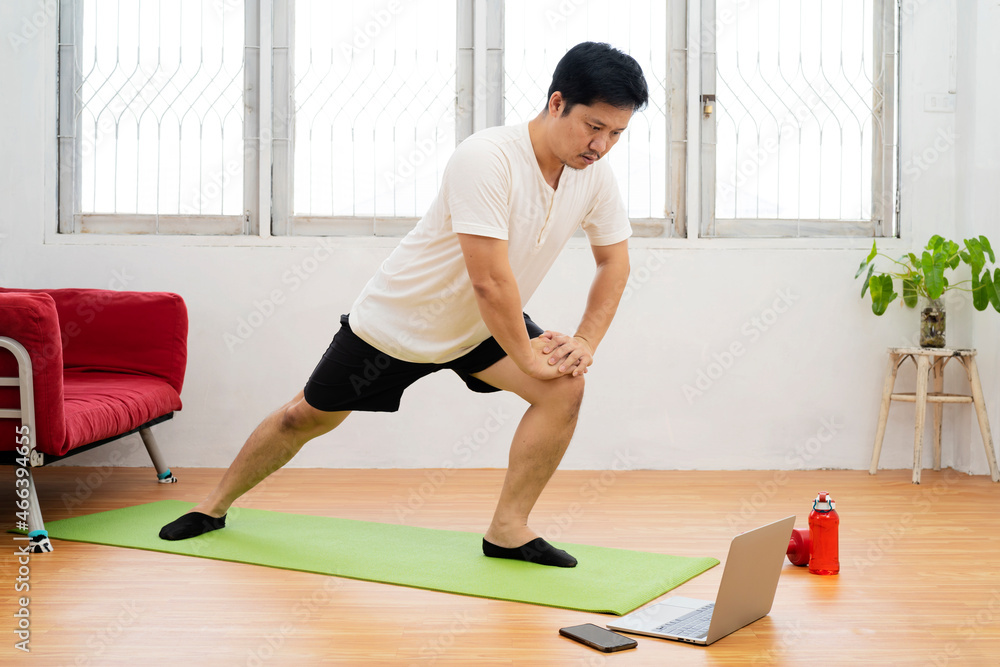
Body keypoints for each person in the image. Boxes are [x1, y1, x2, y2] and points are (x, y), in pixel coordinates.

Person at [160, 41, 649, 568]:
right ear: (557, 103)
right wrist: (529, 355)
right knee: (305, 417)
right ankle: (213, 506)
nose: (601, 145)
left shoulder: (593, 176)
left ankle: (508, 530)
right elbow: (489, 280)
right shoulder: (487, 158)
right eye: (593, 127)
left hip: (481, 329)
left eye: (616, 134)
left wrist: (584, 342)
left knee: (563, 387)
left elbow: (613, 263)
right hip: (396, 327)